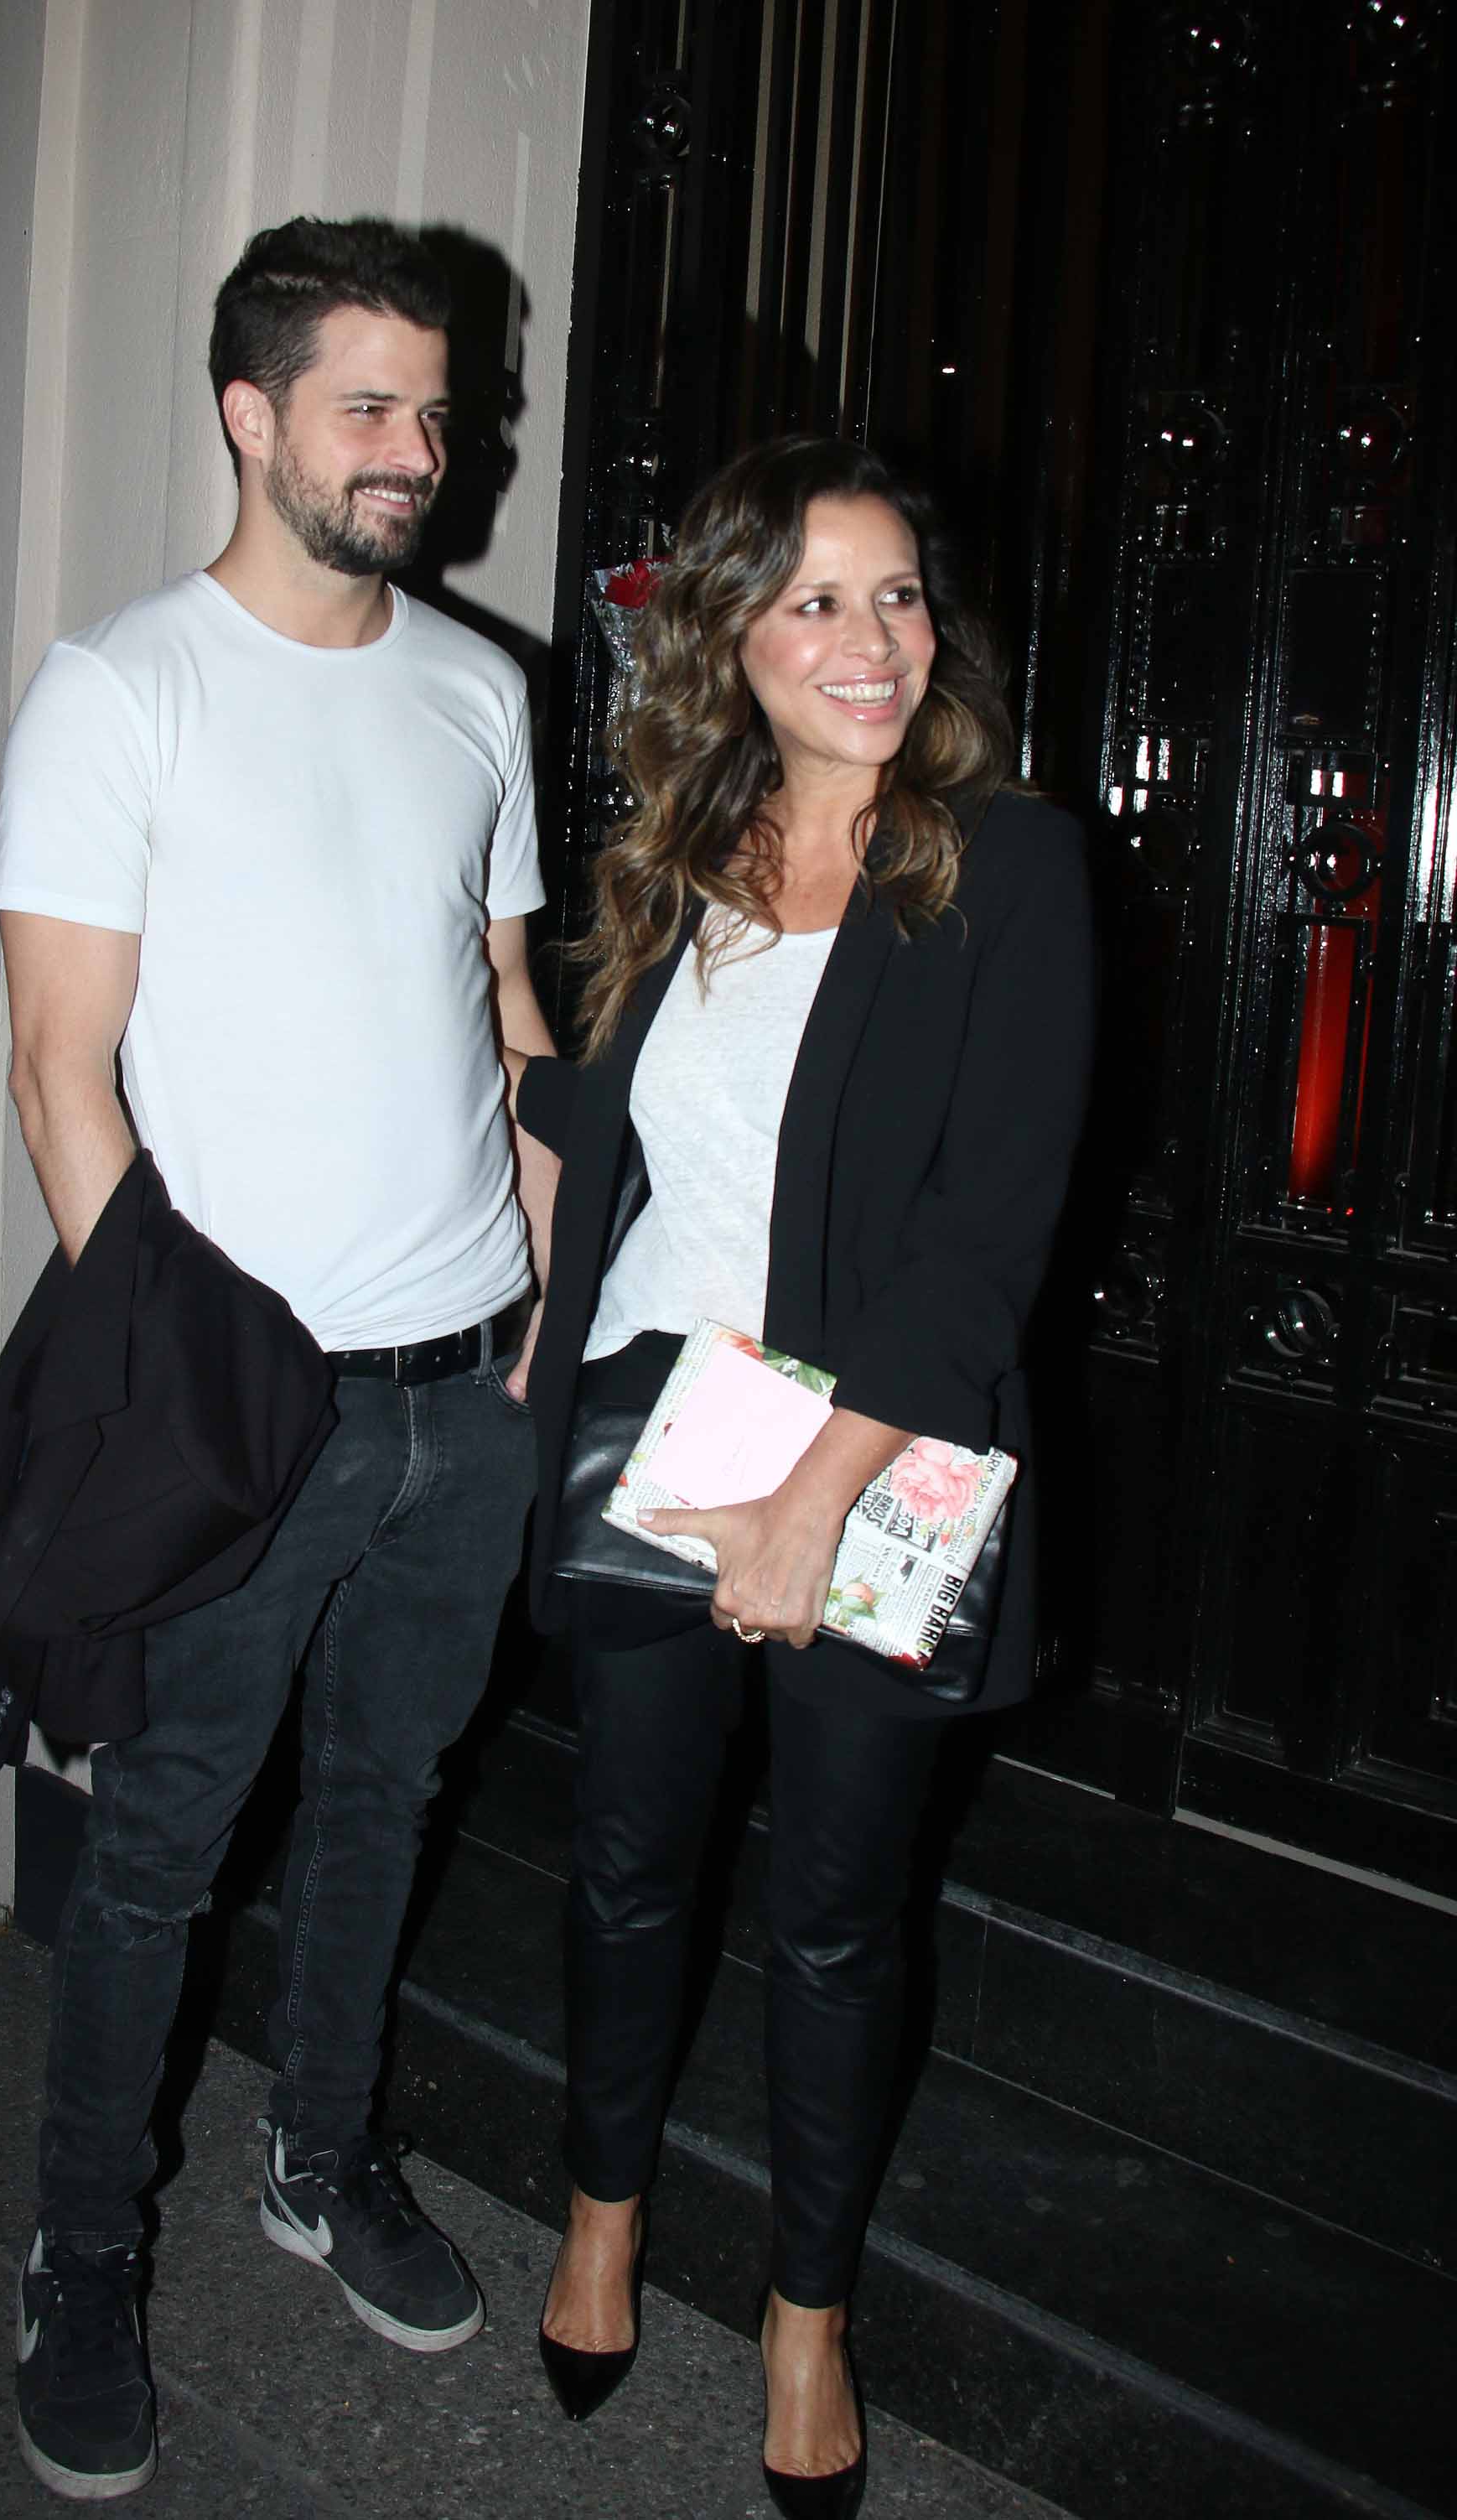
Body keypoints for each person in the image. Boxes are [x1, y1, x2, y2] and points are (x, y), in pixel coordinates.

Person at [0, 216, 557, 2502]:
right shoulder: (120, 687)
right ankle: (77, 2250)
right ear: (250, 415)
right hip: (250, 1402)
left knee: (386, 1802)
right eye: (370, 407)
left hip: (461, 1386)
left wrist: (544, 1287)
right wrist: (162, 1396)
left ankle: (324, 2154)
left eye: (436, 410)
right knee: (154, 1850)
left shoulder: (479, 688)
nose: (421, 449)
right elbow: (60, 1068)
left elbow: (510, 1007)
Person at [508, 436, 1094, 2518]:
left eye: (900, 594)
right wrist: (534, 1323)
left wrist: (814, 1497)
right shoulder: (677, 846)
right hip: (657, 1417)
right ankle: (599, 2213)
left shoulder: (1001, 862)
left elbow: (987, 1234)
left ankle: (807, 2319)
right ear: (731, 639)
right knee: (622, 1861)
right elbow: (599, 1118)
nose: (870, 642)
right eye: (816, 602)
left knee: (840, 1915)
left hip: (874, 1447)